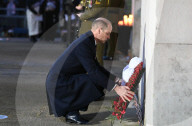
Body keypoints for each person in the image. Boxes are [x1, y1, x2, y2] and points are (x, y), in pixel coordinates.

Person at [46, 17, 134, 124]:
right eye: (107, 33)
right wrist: (116, 88)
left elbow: (96, 67)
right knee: (95, 81)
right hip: (59, 84)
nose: (108, 37)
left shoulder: (88, 40)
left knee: (101, 80)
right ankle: (71, 113)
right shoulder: (84, 43)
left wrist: (115, 79)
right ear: (99, 30)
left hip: (63, 80)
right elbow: (93, 71)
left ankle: (71, 110)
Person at [78, 0, 125, 65]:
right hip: (87, 28)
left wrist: (82, 16)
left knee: (97, 56)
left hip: (97, 28)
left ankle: (110, 54)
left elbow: (95, 11)